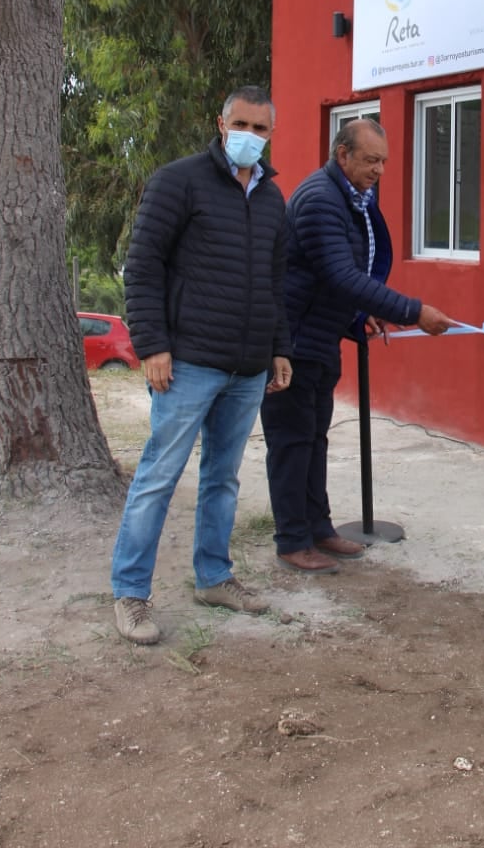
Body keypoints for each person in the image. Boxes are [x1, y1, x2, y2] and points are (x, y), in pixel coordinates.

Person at [111, 85, 292, 645]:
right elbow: (142, 267)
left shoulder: (270, 199)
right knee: (157, 478)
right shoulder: (179, 180)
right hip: (187, 361)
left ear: (270, 134)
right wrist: (152, 345)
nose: (250, 137)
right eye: (242, 125)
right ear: (221, 123)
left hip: (247, 366)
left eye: (261, 129)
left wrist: (278, 347)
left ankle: (214, 577)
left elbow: (274, 281)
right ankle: (131, 593)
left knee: (223, 477)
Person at [261, 117, 453, 574]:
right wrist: (413, 311)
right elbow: (340, 275)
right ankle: (292, 540)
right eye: (371, 160)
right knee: (291, 443)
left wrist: (363, 315)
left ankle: (319, 528)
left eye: (384, 161)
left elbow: (354, 274)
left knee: (316, 439)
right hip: (291, 344)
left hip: (322, 337)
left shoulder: (354, 198)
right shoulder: (320, 200)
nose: (380, 170)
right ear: (342, 155)